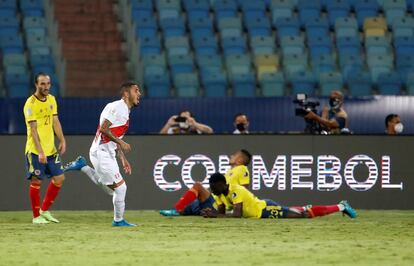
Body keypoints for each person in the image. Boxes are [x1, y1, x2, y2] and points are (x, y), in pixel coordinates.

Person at [63, 82, 141, 227]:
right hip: (101, 152)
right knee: (120, 189)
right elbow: (104, 129)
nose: (139, 94)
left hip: (107, 153)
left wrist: (123, 159)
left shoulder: (125, 112)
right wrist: (122, 144)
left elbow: (115, 136)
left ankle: (83, 166)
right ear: (126, 94)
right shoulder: (117, 107)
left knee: (115, 191)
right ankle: (118, 221)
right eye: (136, 90)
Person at [202, 173, 357, 219]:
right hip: (262, 210)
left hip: (265, 209)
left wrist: (216, 215)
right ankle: (303, 207)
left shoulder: (236, 190)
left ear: (222, 183)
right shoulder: (219, 195)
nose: (211, 190)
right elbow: (222, 214)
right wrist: (212, 213)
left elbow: (236, 215)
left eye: (213, 186)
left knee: (303, 215)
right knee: (297, 211)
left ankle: (342, 205)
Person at [23, 72, 67, 224]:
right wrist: (40, 151)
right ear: (36, 85)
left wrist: (62, 140)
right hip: (35, 150)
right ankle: (36, 216)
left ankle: (44, 210)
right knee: (36, 182)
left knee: (60, 178)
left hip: (51, 149)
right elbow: (33, 130)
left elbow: (56, 121)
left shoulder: (52, 100)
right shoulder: (30, 104)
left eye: (48, 83)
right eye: (42, 84)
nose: (46, 86)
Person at [159, 149, 252, 216]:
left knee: (198, 186)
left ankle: (176, 209)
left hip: (218, 205)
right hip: (214, 201)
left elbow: (244, 190)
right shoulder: (230, 171)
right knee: (190, 204)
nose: (231, 156)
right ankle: (179, 210)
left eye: (234, 155)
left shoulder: (242, 169)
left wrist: (237, 209)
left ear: (240, 160)